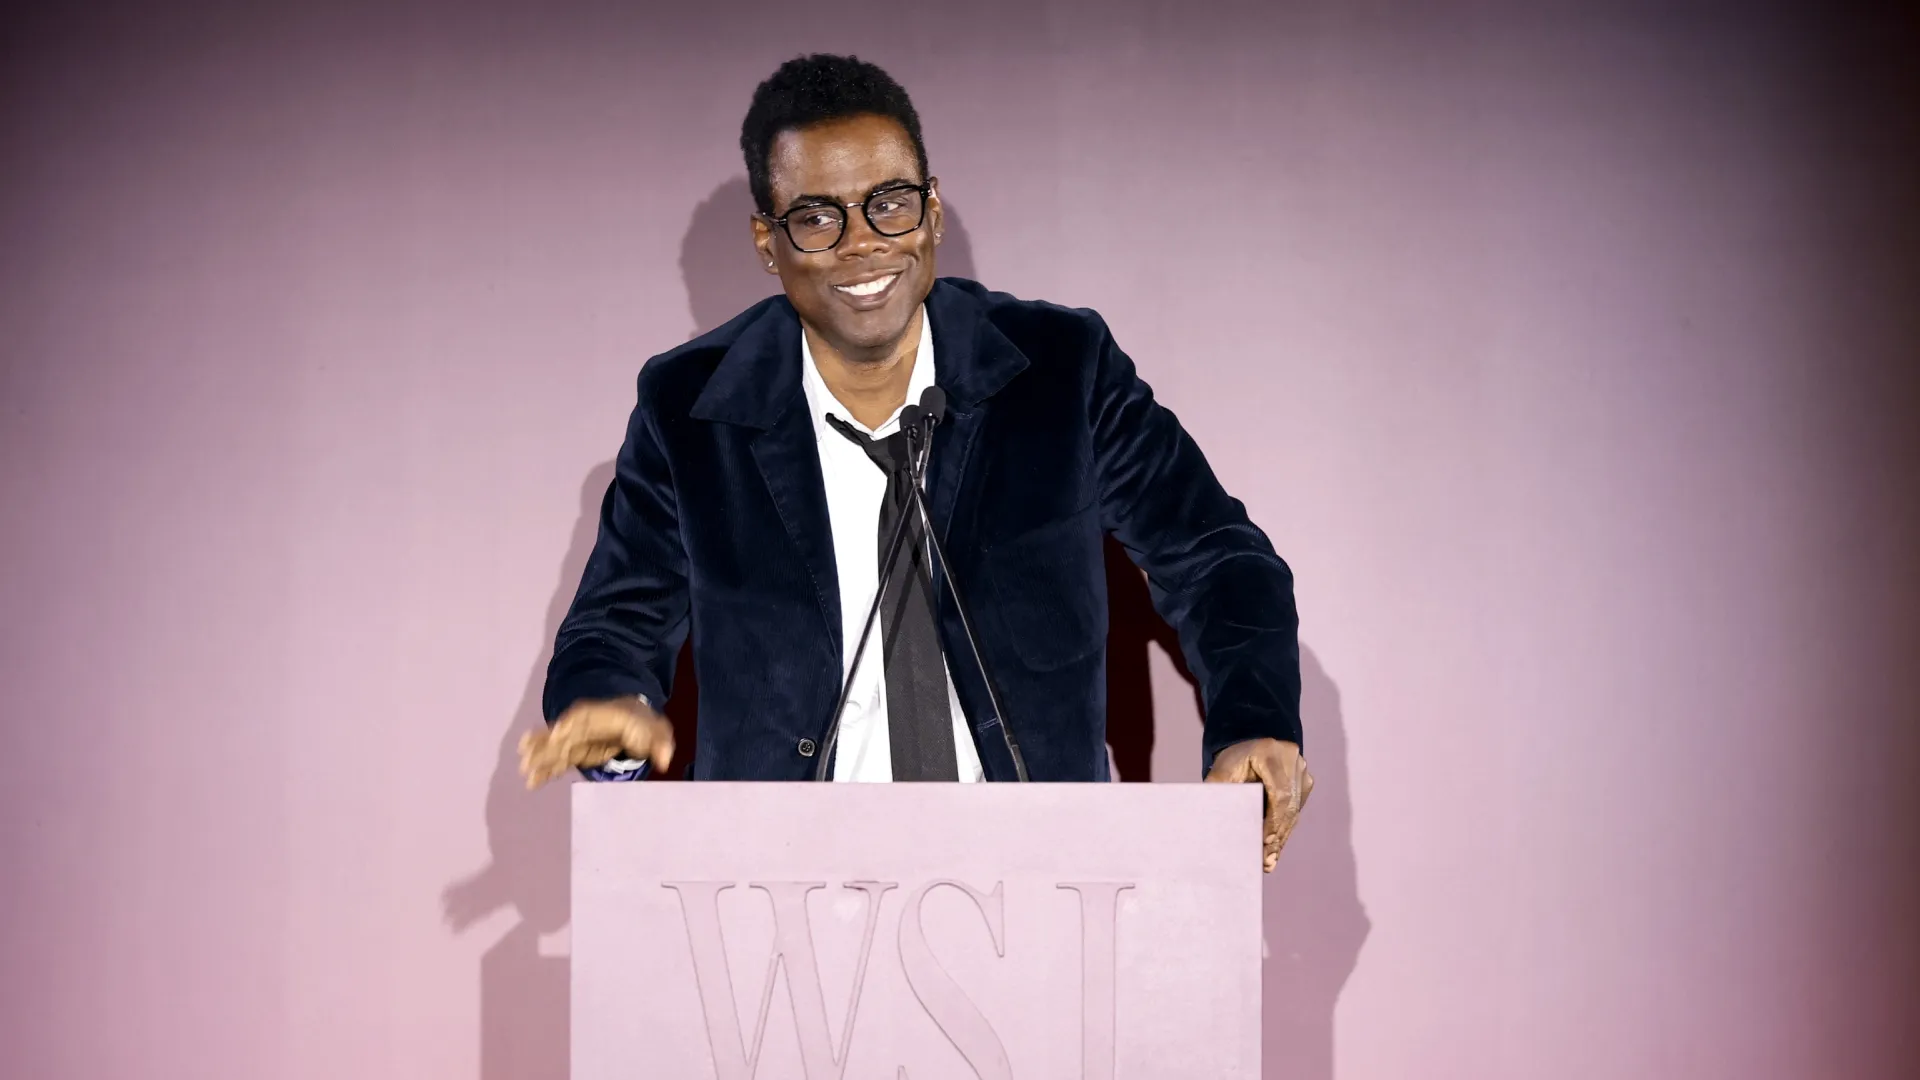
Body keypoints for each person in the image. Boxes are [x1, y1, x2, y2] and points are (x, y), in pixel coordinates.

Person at [518, 54, 1311, 870]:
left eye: (888, 205)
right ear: (768, 239)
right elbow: (616, 623)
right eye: (818, 218)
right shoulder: (689, 407)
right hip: (775, 893)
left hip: (1040, 879)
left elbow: (1217, 559)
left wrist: (1254, 719)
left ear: (931, 213)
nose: (863, 245)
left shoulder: (1060, 369)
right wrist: (610, 709)